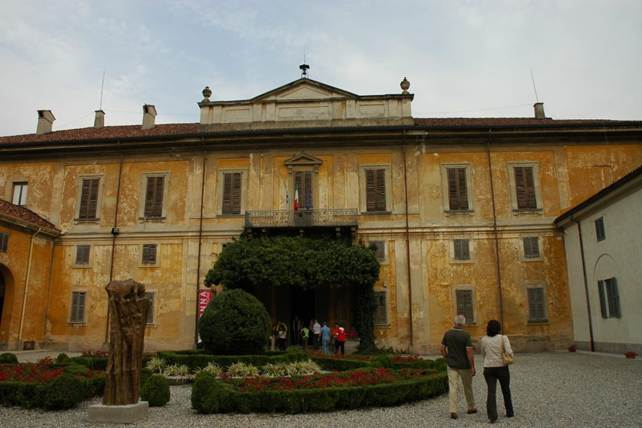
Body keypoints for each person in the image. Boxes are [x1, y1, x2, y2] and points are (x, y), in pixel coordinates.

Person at [441, 314, 477, 420]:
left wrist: (447, 358)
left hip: (452, 365)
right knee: (468, 387)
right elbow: (469, 352)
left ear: (454, 322)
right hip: (465, 366)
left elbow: (442, 348)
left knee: (453, 387)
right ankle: (471, 407)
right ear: (463, 324)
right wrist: (472, 366)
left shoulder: (448, 333)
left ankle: (453, 410)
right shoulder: (466, 335)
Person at [480, 320, 514, 424]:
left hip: (489, 367)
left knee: (491, 392)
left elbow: (483, 353)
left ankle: (492, 415)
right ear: (499, 328)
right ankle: (509, 412)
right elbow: (509, 352)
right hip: (502, 367)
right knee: (506, 389)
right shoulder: (503, 338)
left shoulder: (484, 339)